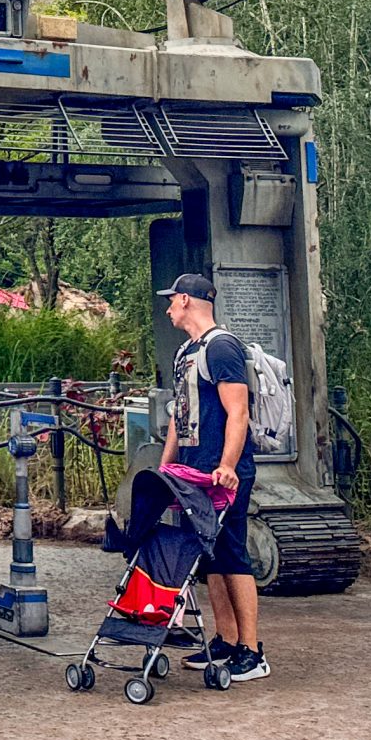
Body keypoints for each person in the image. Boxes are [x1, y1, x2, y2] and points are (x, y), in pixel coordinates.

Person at [156, 272, 266, 682]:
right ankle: (225, 638)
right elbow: (178, 413)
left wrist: (228, 465)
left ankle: (251, 651)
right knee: (210, 554)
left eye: (172, 300)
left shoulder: (222, 347)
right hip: (193, 470)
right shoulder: (186, 351)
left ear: (186, 300)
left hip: (224, 473)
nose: (168, 308)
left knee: (232, 552)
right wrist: (166, 467)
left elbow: (238, 411)